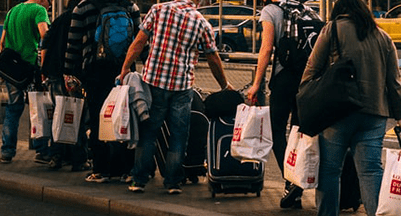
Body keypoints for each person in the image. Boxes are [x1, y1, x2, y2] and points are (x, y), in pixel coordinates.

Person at [301, 0, 401, 214]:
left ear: (340, 11)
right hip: (374, 115)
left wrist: (306, 97)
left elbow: (311, 69)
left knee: (330, 171)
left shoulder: (332, 30)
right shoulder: (383, 37)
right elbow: (394, 84)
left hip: (338, 114)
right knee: (370, 171)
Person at [118, 0, 231, 194]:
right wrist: (224, 85)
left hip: (154, 82)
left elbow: (139, 42)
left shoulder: (158, 10)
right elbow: (213, 57)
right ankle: (172, 183)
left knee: (149, 133)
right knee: (179, 136)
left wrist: (125, 68)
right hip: (182, 86)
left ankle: (139, 180)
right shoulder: (201, 22)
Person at [244, 0, 317, 208]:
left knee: (276, 130)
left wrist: (257, 83)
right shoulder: (309, 12)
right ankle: (296, 185)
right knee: (298, 134)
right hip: (307, 81)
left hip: (284, 79)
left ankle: (291, 180)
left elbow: (266, 49)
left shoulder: (270, 11)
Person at [64, 0, 141, 183]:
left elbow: (73, 42)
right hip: (124, 70)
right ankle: (126, 169)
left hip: (94, 71)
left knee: (99, 118)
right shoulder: (130, 6)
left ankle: (101, 170)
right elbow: (140, 39)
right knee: (125, 116)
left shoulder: (82, 7)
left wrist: (68, 71)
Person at [38, 0, 89, 172]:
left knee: (58, 116)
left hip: (53, 72)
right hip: (72, 74)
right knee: (76, 117)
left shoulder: (59, 20)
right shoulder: (82, 19)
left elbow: (45, 43)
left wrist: (43, 69)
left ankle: (56, 156)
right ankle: (78, 159)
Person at [0, 0, 51, 164]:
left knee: (13, 109)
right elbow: (45, 35)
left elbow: (2, 41)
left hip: (12, 70)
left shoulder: (12, 11)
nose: (49, 7)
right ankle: (41, 150)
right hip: (30, 68)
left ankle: (7, 151)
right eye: (49, 3)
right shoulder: (39, 10)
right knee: (37, 109)